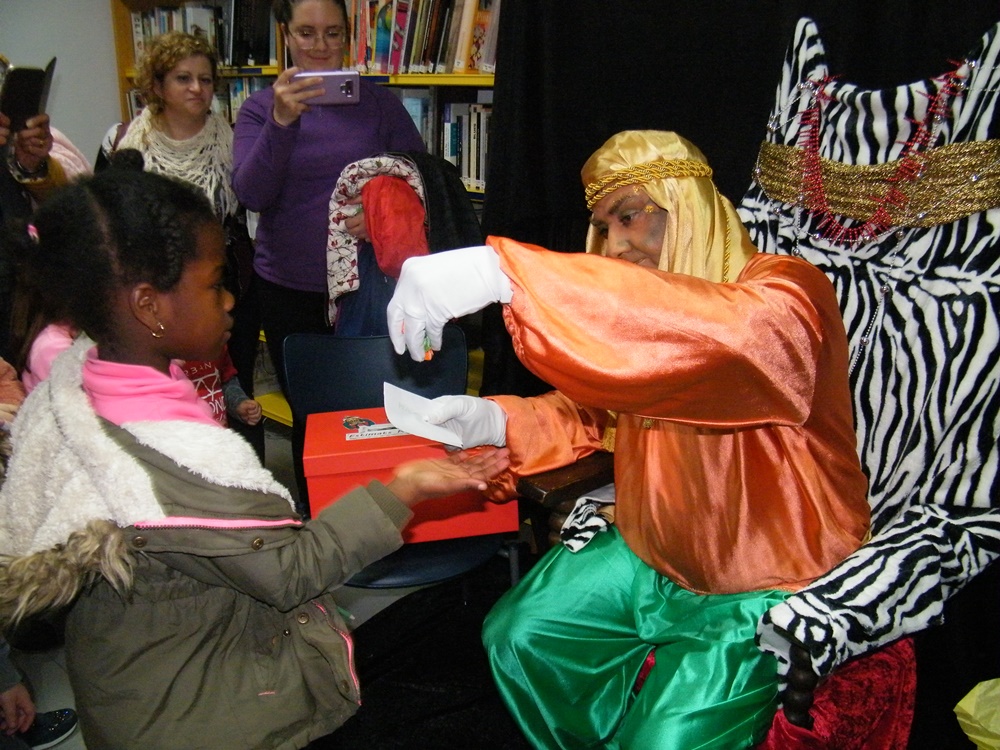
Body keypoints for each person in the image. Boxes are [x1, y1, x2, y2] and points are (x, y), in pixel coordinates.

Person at [386, 130, 871, 747]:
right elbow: (598, 415)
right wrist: (496, 420)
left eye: (630, 215)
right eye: (602, 227)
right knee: (520, 636)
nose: (615, 245)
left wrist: (508, 273)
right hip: (651, 543)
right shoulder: (647, 333)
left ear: (685, 203)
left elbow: (736, 343)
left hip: (767, 573)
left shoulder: (789, 291)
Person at [0, 167, 508, 750]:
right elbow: (290, 572)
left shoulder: (82, 380)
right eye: (214, 284)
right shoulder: (158, 476)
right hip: (195, 721)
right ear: (149, 306)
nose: (229, 301)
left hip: (144, 674)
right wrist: (403, 488)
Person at [233, 0, 427, 511]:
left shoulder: (378, 104)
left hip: (367, 286)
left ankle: (379, 519)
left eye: (332, 33)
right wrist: (281, 122)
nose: (320, 46)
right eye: (306, 32)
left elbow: (420, 177)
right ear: (286, 35)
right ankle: (320, 525)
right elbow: (251, 193)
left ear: (348, 35)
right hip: (288, 289)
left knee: (373, 411)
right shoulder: (259, 109)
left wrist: (380, 213)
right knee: (312, 417)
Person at [95, 32, 263, 457]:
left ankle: (247, 484)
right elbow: (103, 216)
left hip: (222, 288)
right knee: (166, 400)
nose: (196, 89)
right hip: (154, 292)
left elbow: (248, 208)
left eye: (205, 79)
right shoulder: (125, 142)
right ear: (157, 85)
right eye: (183, 78)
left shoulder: (234, 142)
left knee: (234, 393)